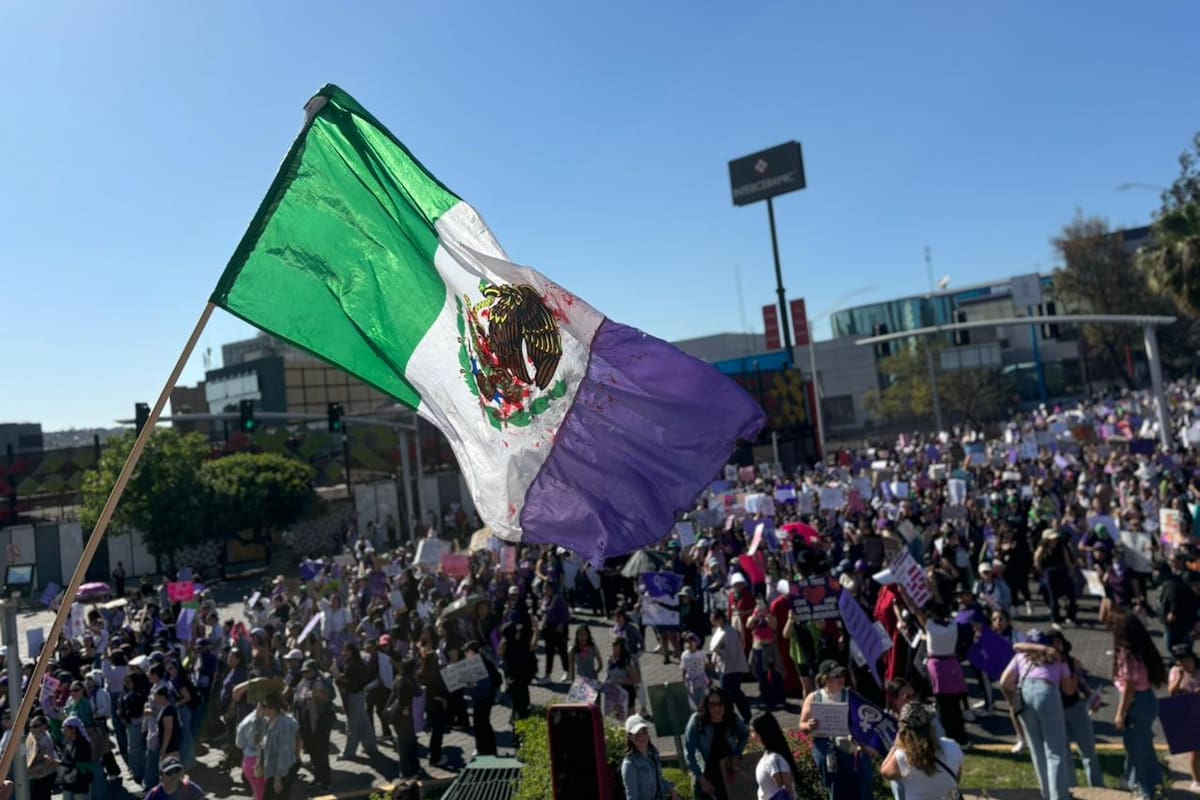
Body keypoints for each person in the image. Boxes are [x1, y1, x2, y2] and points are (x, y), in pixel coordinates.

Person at [999, 628, 1073, 800]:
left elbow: (1004, 681)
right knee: (1055, 751)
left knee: (1037, 749)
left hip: (1024, 693)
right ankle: (1059, 797)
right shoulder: (1056, 657)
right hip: (1046, 693)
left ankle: (1047, 795)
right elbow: (1069, 690)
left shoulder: (1020, 657)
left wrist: (1012, 701)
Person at [1111, 611, 1168, 800]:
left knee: (1137, 748)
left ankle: (1146, 791)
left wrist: (1120, 714)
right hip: (1148, 699)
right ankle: (1151, 782)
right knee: (1144, 745)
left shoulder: (1126, 654)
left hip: (1136, 704)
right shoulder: (1142, 649)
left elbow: (1129, 687)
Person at [799, 660, 872, 800]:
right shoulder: (814, 697)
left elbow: (864, 719)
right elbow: (801, 724)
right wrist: (809, 725)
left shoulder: (851, 695)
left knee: (858, 787)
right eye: (836, 676)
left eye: (842, 675)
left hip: (849, 746)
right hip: (825, 748)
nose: (841, 679)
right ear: (825, 678)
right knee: (835, 789)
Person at [1048, 631, 1103, 789]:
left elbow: (1081, 684)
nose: (1056, 646)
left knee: (1088, 751)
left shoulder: (1072, 663)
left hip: (1075, 708)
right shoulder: (1044, 666)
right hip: (1056, 712)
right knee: (1064, 755)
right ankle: (1073, 790)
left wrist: (1091, 696)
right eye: (1052, 643)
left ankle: (1098, 789)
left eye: (1059, 642)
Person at [880, 701, 963, 800]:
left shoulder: (902, 757)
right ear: (931, 725)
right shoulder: (951, 745)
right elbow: (957, 779)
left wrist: (896, 744)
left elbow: (885, 772)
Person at [683, 686, 749, 800]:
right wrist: (701, 778)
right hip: (706, 775)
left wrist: (737, 755)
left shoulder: (732, 719)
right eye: (712, 704)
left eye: (720, 704)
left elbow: (744, 734)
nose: (717, 708)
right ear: (706, 706)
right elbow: (689, 751)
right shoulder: (697, 721)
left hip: (727, 774)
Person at [620, 713, 679, 800]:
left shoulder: (653, 753)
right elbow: (632, 796)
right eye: (637, 734)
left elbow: (658, 780)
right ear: (630, 737)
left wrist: (671, 790)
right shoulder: (629, 764)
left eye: (644, 732)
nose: (642, 737)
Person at [708, 609, 752, 722]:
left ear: (721, 619)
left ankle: (732, 717)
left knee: (728, 695)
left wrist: (719, 651)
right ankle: (744, 716)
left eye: (714, 620)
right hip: (724, 668)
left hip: (732, 669)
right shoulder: (720, 630)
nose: (713, 623)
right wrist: (714, 659)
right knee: (735, 694)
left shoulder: (730, 632)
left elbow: (731, 654)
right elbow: (715, 647)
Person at [1168, 643, 1200, 791]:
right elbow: (1172, 693)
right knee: (1196, 750)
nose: (1186, 665)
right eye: (1181, 662)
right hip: (1189, 714)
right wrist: (1179, 678)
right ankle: (1196, 780)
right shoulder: (1176, 672)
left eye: (1188, 661)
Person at [258, 693, 300, 800]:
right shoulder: (270, 720)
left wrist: (278, 779)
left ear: (275, 707)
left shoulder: (283, 725)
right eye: (263, 706)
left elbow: (284, 754)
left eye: (267, 706)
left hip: (281, 773)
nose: (264, 709)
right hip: (272, 770)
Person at [750, 711, 800, 800]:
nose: (751, 735)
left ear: (762, 733)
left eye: (753, 731)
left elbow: (787, 791)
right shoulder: (768, 757)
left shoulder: (775, 760)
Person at [235, 706, 267, 800]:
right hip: (267, 761)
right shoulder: (276, 720)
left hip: (250, 761)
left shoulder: (246, 721)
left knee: (258, 791)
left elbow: (239, 744)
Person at [60, 717, 95, 800]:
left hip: (81, 782)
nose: (63, 732)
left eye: (65, 729)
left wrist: (59, 763)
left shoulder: (84, 744)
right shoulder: (69, 743)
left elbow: (82, 766)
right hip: (68, 781)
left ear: (73, 729)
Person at [25, 715, 59, 800]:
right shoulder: (35, 738)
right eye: (31, 727)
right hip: (37, 776)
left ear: (44, 726)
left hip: (44, 776)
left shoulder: (45, 739)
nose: (32, 729)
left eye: (35, 726)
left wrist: (30, 769)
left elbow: (47, 760)